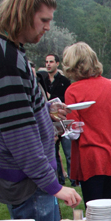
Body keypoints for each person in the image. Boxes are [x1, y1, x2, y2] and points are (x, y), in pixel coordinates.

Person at [0, 0, 81, 221]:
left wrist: (43, 110)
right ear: (22, 14)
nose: (48, 27)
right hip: (29, 180)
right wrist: (53, 185)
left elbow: (9, 110)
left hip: (28, 175)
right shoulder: (7, 59)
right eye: (43, 19)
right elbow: (17, 132)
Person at [62, 42, 111, 201]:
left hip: (91, 159)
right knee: (108, 204)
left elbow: (74, 131)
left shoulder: (73, 90)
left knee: (94, 209)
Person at [37, 53, 74, 186]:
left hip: (63, 120)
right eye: (46, 62)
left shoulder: (64, 81)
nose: (48, 64)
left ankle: (73, 178)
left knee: (68, 151)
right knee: (53, 151)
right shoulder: (42, 80)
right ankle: (59, 179)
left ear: (57, 64)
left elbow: (67, 100)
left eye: (51, 62)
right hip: (48, 121)